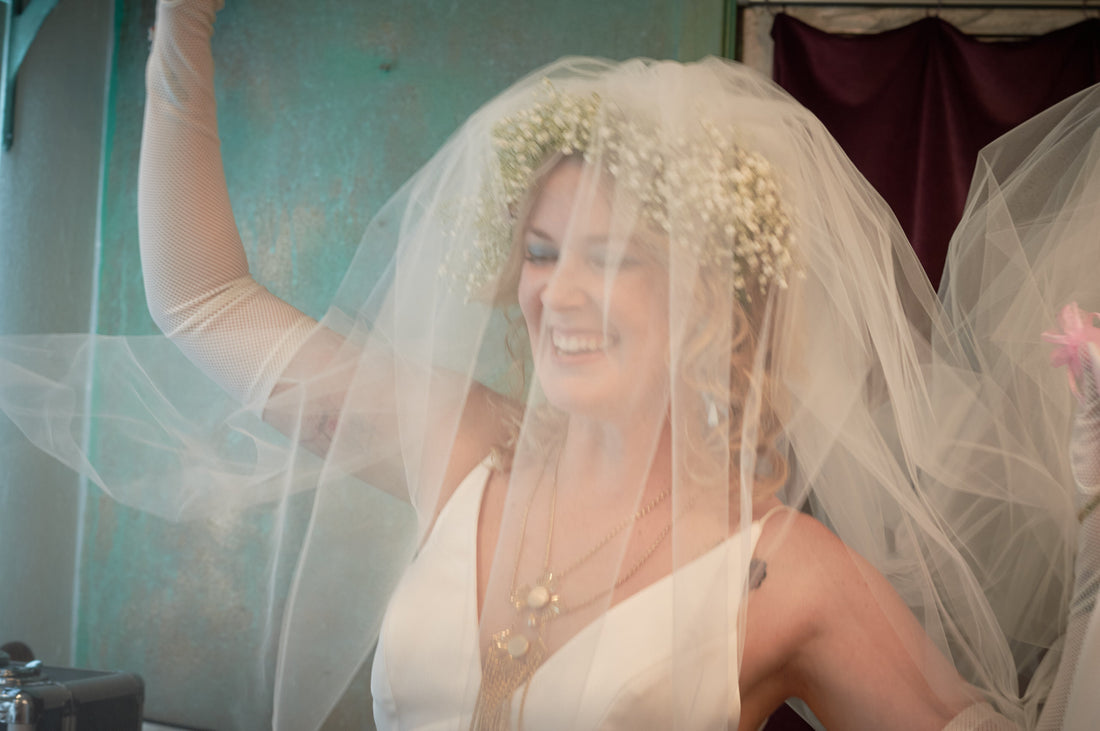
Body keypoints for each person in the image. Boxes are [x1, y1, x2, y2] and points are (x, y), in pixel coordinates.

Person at [0, 0, 1084, 729]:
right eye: (538, 249)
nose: (555, 295)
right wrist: (178, 31)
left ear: (714, 298)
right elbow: (203, 302)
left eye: (613, 261)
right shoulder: (460, 446)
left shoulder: (786, 574)